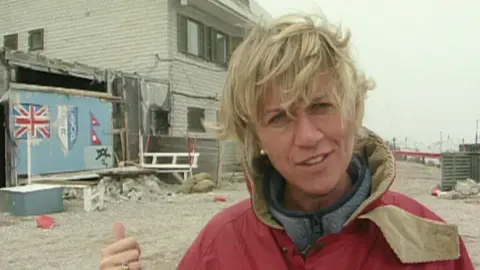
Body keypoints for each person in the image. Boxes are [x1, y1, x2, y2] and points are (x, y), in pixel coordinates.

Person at [99, 13, 474, 270]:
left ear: (355, 109)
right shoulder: (219, 249)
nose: (308, 137)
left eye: (322, 105)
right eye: (278, 117)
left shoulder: (429, 244)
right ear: (254, 135)